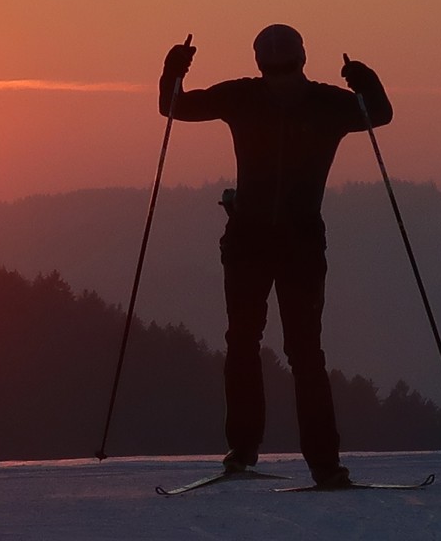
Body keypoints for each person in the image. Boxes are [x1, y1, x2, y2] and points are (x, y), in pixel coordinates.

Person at [159, 24, 392, 487]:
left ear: (259, 64)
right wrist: (365, 81)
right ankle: (323, 464)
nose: (279, 76)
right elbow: (379, 114)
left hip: (248, 242)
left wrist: (172, 71)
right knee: (304, 353)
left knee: (244, 343)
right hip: (300, 245)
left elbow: (173, 107)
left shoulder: (243, 96)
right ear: (302, 59)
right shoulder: (330, 105)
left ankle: (243, 452)